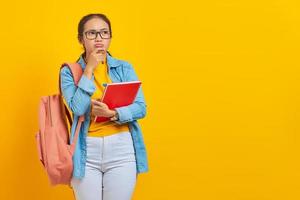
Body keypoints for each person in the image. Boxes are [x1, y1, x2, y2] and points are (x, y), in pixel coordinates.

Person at [60, 13, 149, 200]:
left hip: (122, 149)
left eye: (104, 33)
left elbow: (141, 107)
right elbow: (77, 108)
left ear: (110, 37)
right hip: (86, 152)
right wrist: (89, 69)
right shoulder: (69, 71)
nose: (98, 38)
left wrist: (113, 113)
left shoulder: (124, 68)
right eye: (91, 33)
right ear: (81, 39)